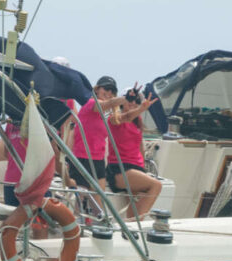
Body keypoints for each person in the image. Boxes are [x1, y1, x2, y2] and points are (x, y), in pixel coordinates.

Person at [69, 75, 156, 191]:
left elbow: (127, 116)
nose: (109, 92)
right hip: (82, 158)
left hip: (98, 161)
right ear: (97, 89)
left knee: (99, 205)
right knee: (82, 201)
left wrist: (141, 108)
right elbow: (108, 104)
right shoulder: (90, 103)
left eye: (112, 90)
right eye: (106, 88)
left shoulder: (107, 115)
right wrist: (126, 98)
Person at [107, 86, 162, 219]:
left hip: (136, 169)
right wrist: (141, 108)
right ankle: (136, 225)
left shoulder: (138, 121)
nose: (133, 103)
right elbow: (126, 117)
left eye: (137, 101)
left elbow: (140, 147)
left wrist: (143, 170)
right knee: (156, 185)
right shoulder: (114, 118)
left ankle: (132, 229)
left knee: (136, 205)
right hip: (120, 169)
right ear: (122, 100)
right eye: (130, 99)